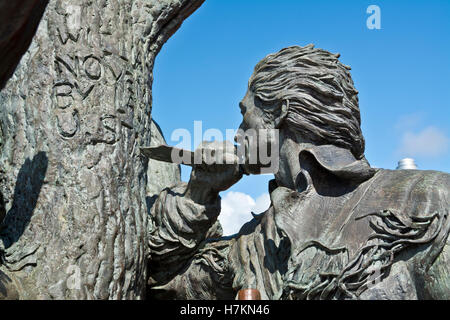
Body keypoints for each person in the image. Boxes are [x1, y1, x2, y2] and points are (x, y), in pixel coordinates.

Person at [147, 45, 450, 300]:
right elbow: (163, 287)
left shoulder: (428, 199)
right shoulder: (251, 247)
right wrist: (200, 191)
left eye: (245, 116)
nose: (238, 134)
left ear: (279, 111)